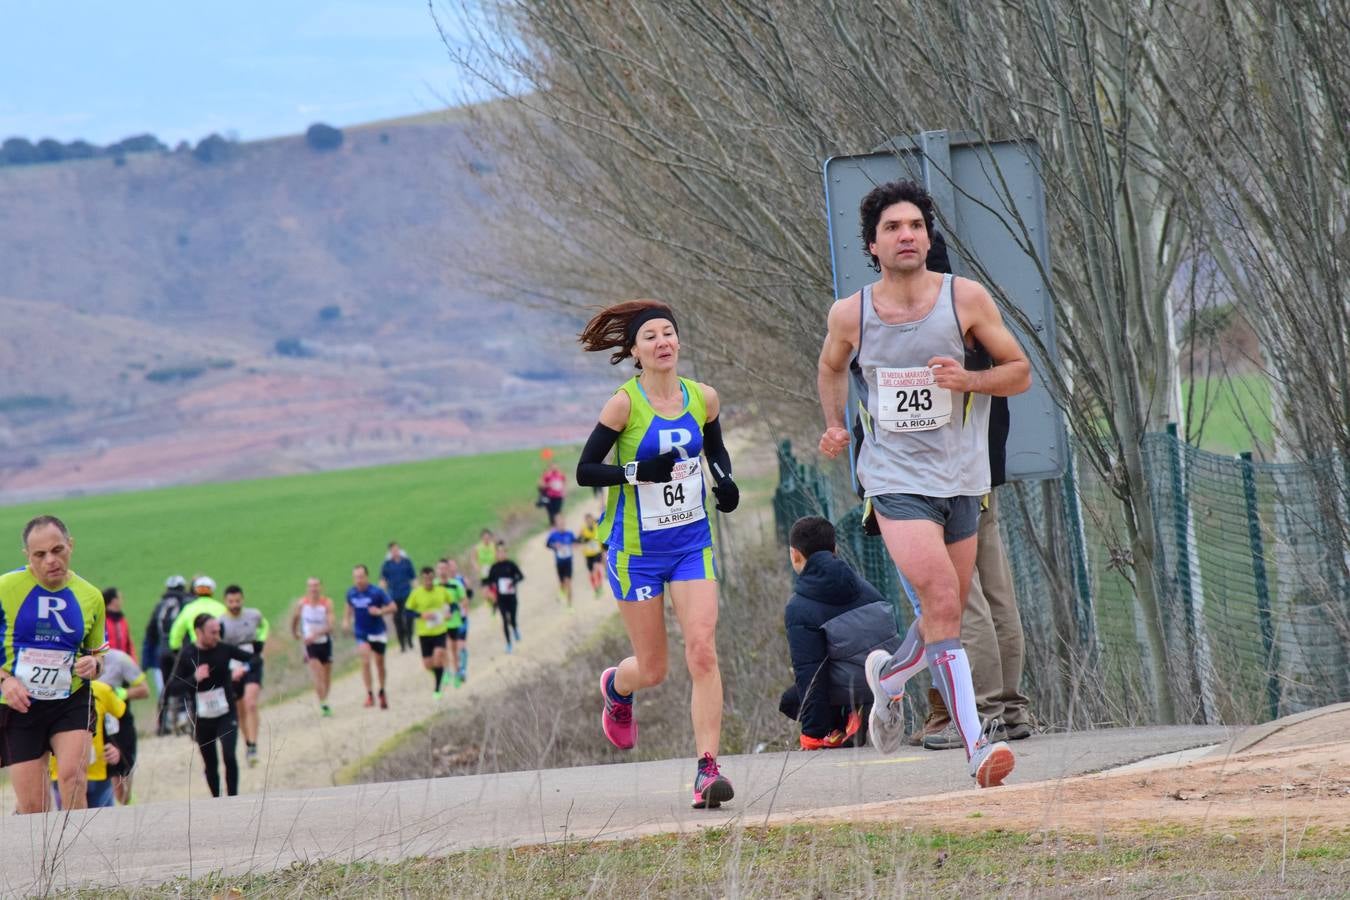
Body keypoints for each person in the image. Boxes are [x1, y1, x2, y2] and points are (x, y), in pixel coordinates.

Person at [816, 179, 1030, 788]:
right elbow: (831, 366)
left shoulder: (964, 300)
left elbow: (1019, 372)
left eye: (915, 225)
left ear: (928, 236)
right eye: (892, 228)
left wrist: (969, 381)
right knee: (940, 598)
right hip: (893, 478)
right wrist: (835, 425)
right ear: (872, 246)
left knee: (943, 616)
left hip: (962, 478)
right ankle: (976, 748)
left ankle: (887, 680)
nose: (906, 235)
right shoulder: (850, 313)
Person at [575, 299, 741, 809]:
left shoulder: (703, 398)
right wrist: (636, 471)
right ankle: (617, 686)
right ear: (635, 352)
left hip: (692, 543)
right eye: (650, 336)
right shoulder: (623, 405)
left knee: (703, 650)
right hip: (636, 552)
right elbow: (585, 470)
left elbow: (713, 448)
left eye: (669, 332)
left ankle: (706, 769)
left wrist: (725, 480)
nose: (662, 341)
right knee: (653, 669)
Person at [0, 515, 108, 814]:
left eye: (57, 550)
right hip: (19, 704)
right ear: (27, 556)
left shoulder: (91, 596)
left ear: (70, 546)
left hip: (70, 698)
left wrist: (93, 665)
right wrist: (5, 680)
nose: (51, 560)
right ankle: (35, 848)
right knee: (35, 806)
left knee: (74, 777)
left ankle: (78, 857)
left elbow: (99, 656)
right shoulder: (5, 588)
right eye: (40, 554)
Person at [779, 516, 902, 750]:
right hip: (889, 677)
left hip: (854, 682)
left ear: (794, 554)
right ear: (835, 549)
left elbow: (810, 672)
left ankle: (835, 729)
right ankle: (855, 715)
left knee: (791, 700)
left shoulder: (799, 606)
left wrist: (812, 733)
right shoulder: (866, 586)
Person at [170, 614, 253, 797]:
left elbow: (254, 659)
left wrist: (242, 669)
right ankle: (216, 799)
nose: (217, 636)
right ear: (198, 632)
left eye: (219, 631)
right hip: (202, 717)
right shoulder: (188, 654)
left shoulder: (224, 649)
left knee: (229, 756)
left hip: (226, 712)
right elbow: (172, 688)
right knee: (210, 763)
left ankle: (232, 798)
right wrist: (194, 679)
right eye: (213, 632)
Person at [49, 678, 125, 809]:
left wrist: (119, 749)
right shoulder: (43, 693)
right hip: (60, 774)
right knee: (69, 821)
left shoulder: (101, 689)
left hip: (98, 773)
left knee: (102, 823)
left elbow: (124, 719)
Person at [219, 585, 270, 767]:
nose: (235, 605)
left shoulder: (253, 615)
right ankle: (248, 743)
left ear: (243, 599)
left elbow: (265, 626)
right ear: (225, 602)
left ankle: (254, 744)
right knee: (240, 710)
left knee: (251, 703)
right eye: (231, 602)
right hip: (233, 668)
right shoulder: (221, 623)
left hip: (252, 663)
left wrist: (261, 641)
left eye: (238, 601)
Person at [96, 647, 148, 804]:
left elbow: (145, 690)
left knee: (121, 788)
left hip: (118, 726)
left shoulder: (120, 660)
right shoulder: (75, 657)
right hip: (91, 727)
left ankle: (130, 811)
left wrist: (120, 693)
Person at [144, 574, 189, 734]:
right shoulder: (186, 603)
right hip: (180, 650)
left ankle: (163, 725)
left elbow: (150, 633)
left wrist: (146, 661)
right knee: (185, 682)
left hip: (161, 652)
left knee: (167, 687)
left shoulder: (160, 606)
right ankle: (185, 717)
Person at [345, 564, 393, 708]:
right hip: (361, 632)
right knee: (365, 660)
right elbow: (349, 607)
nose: (359, 580)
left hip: (378, 632)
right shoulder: (351, 593)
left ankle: (382, 691)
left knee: (379, 663)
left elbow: (393, 607)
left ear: (367, 577)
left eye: (361, 577)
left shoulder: (376, 592)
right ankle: (369, 694)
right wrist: (346, 621)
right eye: (356, 577)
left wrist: (379, 612)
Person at [405, 566, 455, 698]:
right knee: (428, 665)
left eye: (430, 578)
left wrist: (450, 611)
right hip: (424, 633)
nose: (428, 581)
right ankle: (441, 673)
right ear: (422, 580)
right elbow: (407, 612)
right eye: (425, 579)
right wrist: (421, 615)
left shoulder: (441, 591)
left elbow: (453, 604)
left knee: (438, 654)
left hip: (439, 630)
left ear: (434, 578)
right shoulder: (416, 593)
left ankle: (437, 689)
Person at [290, 578, 335, 716]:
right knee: (318, 673)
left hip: (325, 642)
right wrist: (295, 633)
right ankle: (323, 703)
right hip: (310, 644)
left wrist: (317, 633)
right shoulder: (302, 604)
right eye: (310, 586)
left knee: (326, 675)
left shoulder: (326, 603)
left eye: (316, 586)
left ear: (321, 587)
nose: (313, 589)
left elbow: (331, 625)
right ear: (307, 588)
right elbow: (295, 619)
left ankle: (324, 698)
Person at [436, 558, 471, 685]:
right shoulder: (434, 585)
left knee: (454, 649)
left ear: (448, 569)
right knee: (441, 648)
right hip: (439, 623)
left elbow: (465, 600)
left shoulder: (456, 584)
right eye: (439, 568)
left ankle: (457, 672)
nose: (442, 571)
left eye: (444, 568)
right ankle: (446, 671)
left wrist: (457, 610)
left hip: (455, 621)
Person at [486, 542, 524, 654]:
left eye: (503, 552)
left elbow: (521, 576)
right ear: (496, 554)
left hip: (512, 596)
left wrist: (513, 582)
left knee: (512, 618)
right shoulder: (494, 568)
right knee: (504, 620)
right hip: (501, 598)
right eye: (499, 552)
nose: (501, 554)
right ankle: (508, 644)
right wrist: (492, 592)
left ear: (506, 553)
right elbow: (490, 582)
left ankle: (515, 627)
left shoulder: (511, 564)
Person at [380, 542, 417, 653]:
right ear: (390, 552)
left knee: (409, 617)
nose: (395, 552)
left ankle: (410, 638)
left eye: (396, 549)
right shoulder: (387, 565)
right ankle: (402, 643)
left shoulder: (406, 562)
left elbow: (413, 577)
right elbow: (383, 580)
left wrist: (417, 591)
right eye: (393, 550)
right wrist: (382, 594)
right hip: (394, 595)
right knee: (397, 620)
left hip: (407, 593)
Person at [545, 513, 577, 610]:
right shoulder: (553, 536)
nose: (561, 523)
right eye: (559, 522)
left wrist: (575, 545)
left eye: (562, 521)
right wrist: (555, 546)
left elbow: (576, 542)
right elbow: (547, 544)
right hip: (559, 563)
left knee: (568, 582)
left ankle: (570, 605)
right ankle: (562, 591)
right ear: (556, 524)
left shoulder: (569, 534)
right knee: (562, 583)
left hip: (568, 562)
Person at [102, 587, 135, 660]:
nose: (122, 600)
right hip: (107, 664)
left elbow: (129, 644)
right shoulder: (102, 621)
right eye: (120, 598)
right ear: (114, 601)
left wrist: (133, 662)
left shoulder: (122, 620)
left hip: (123, 663)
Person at [578, 512, 605, 599]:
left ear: (592, 519)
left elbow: (601, 536)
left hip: (597, 552)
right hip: (588, 554)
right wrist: (584, 539)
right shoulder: (583, 530)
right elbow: (579, 540)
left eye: (590, 519)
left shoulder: (597, 526)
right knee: (591, 572)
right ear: (585, 521)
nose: (589, 521)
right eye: (587, 520)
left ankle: (600, 585)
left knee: (596, 567)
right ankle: (595, 588)